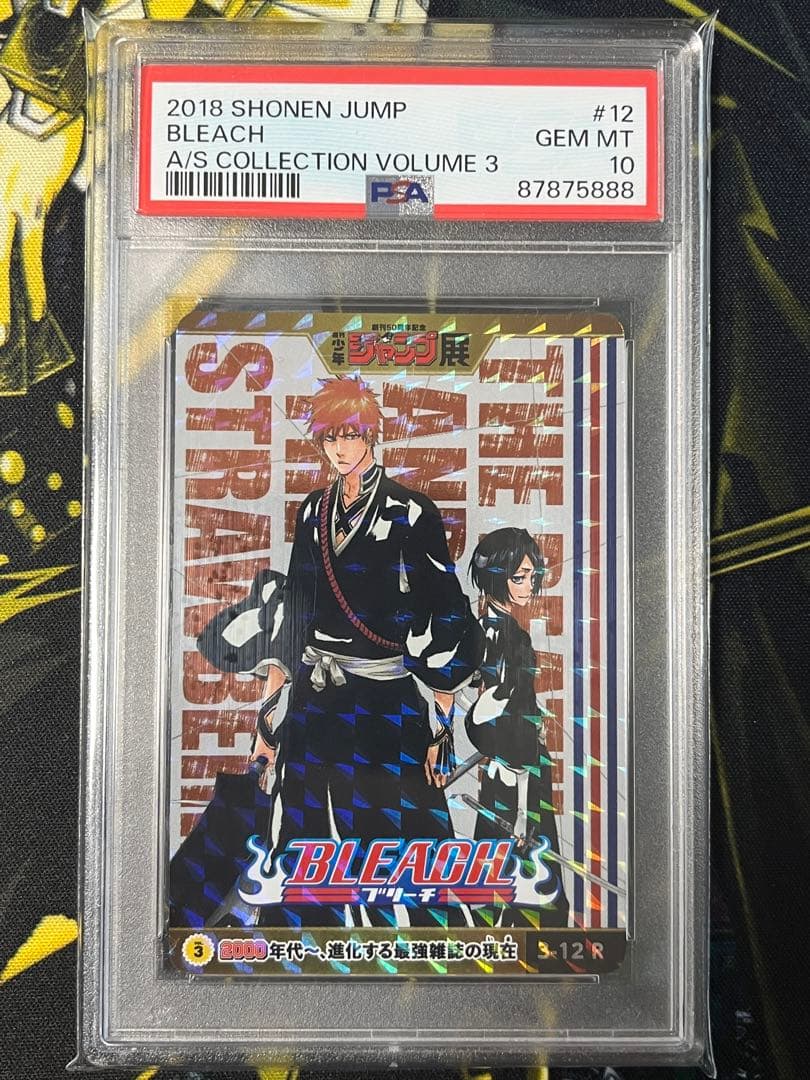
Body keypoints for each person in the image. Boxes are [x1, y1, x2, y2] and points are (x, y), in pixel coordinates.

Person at [200, 375, 484, 927]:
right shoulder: (313, 511)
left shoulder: (410, 511)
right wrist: (270, 715)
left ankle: (425, 944)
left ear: (372, 434)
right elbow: (296, 612)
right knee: (300, 826)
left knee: (396, 828)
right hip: (316, 693)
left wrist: (443, 728)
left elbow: (445, 611)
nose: (339, 448)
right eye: (330, 437)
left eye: (350, 435)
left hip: (383, 694)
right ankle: (300, 942)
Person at [465, 527, 569, 928]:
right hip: (516, 767)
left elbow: (497, 700)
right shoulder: (506, 636)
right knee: (526, 877)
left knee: (501, 874)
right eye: (518, 577)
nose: (528, 586)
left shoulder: (491, 628)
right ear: (495, 578)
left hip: (512, 762)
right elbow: (490, 704)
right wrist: (512, 761)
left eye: (531, 576)